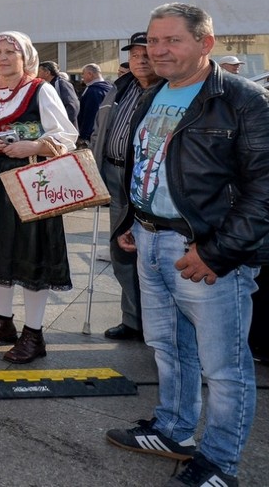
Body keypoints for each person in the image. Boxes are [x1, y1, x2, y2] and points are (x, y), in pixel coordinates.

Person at [106, 4, 269, 487]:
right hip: (150, 240)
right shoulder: (154, 93)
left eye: (173, 40)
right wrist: (134, 220)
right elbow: (147, 164)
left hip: (204, 253)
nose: (159, 50)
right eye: (153, 40)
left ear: (205, 43)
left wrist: (217, 252)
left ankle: (220, 464)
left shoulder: (248, 102)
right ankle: (172, 430)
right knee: (167, 348)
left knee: (224, 368)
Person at [0, 31, 78, 364]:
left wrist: (33, 146)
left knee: (30, 254)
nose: (3, 58)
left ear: (25, 57)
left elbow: (66, 136)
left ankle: (33, 334)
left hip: (28, 179)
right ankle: (3, 321)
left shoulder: (40, 90)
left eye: (11, 52)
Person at [90, 32, 161, 341]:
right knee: (121, 249)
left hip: (150, 181)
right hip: (114, 176)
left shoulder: (168, 90)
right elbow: (99, 130)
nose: (140, 61)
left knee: (152, 252)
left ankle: (158, 324)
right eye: (134, 56)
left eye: (146, 55)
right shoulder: (119, 88)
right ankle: (133, 320)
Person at [76, 63, 114, 145]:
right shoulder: (111, 88)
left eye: (83, 74)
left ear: (90, 74)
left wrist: (83, 136)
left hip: (92, 136)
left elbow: (90, 114)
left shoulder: (93, 91)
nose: (82, 77)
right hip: (107, 132)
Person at [37, 61, 80, 130]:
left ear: (47, 73)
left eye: (39, 71)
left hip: (64, 130)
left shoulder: (61, 83)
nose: (37, 74)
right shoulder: (46, 85)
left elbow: (73, 106)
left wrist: (63, 123)